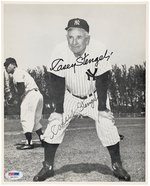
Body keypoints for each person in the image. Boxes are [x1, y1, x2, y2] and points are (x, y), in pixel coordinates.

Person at [33, 18, 131, 181]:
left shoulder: (99, 49)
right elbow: (56, 81)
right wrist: (58, 110)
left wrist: (102, 108)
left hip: (94, 96)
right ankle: (48, 167)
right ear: (67, 38)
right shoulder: (59, 51)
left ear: (87, 39)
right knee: (54, 126)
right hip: (70, 95)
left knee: (107, 125)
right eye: (70, 37)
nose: (74, 41)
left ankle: (117, 165)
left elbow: (103, 79)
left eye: (79, 37)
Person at [4, 58, 44, 150]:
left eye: (7, 64)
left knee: (25, 118)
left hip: (30, 95)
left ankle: (29, 142)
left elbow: (21, 88)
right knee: (35, 120)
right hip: (38, 95)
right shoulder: (21, 72)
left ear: (14, 64)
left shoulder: (17, 72)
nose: (6, 67)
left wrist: (15, 100)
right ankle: (42, 139)